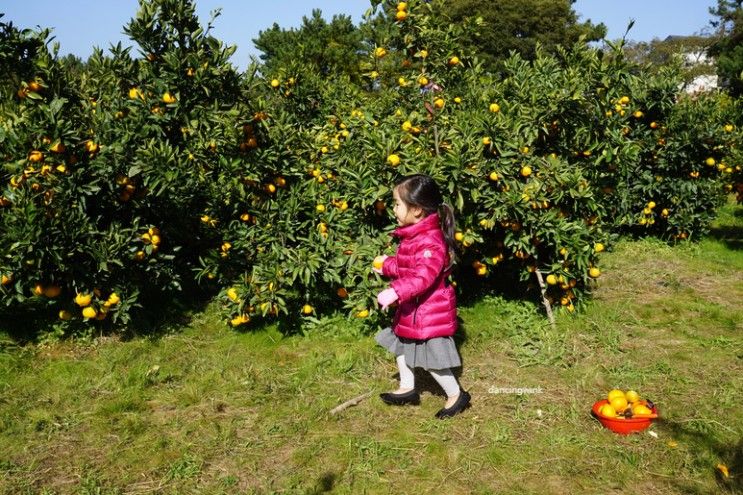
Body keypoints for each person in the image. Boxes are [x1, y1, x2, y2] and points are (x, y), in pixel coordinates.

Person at [373, 174, 470, 419]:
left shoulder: (430, 241)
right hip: (413, 310)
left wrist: (396, 290)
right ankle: (407, 388)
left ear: (416, 209)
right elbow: (409, 268)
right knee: (403, 348)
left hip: (428, 313)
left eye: (397, 203)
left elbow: (423, 277)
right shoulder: (414, 235)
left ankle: (457, 395)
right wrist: (386, 266)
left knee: (434, 360)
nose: (393, 209)